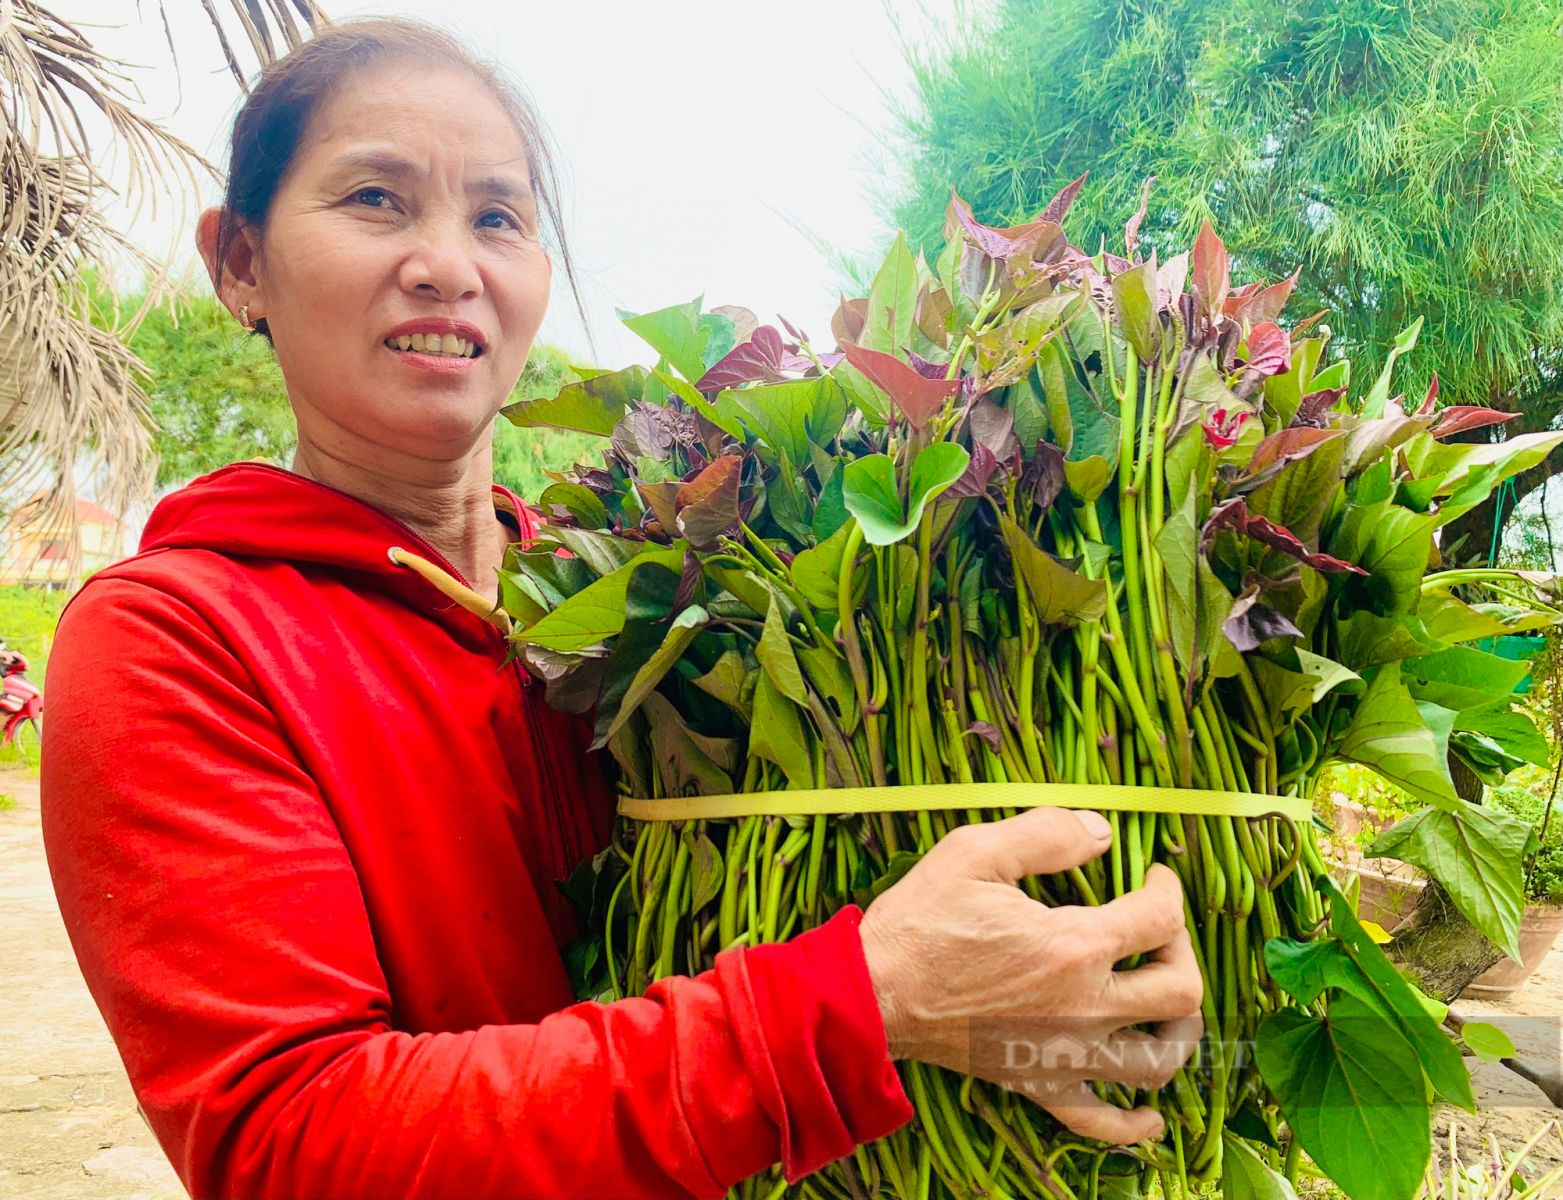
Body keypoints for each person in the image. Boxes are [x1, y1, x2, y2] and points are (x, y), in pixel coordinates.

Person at [39, 17, 1204, 1200]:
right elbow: (295, 1145)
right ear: (239, 260)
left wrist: (1072, 967)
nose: (447, 264)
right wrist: (869, 1001)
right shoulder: (176, 640)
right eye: (376, 199)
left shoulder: (655, 590)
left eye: (498, 217)